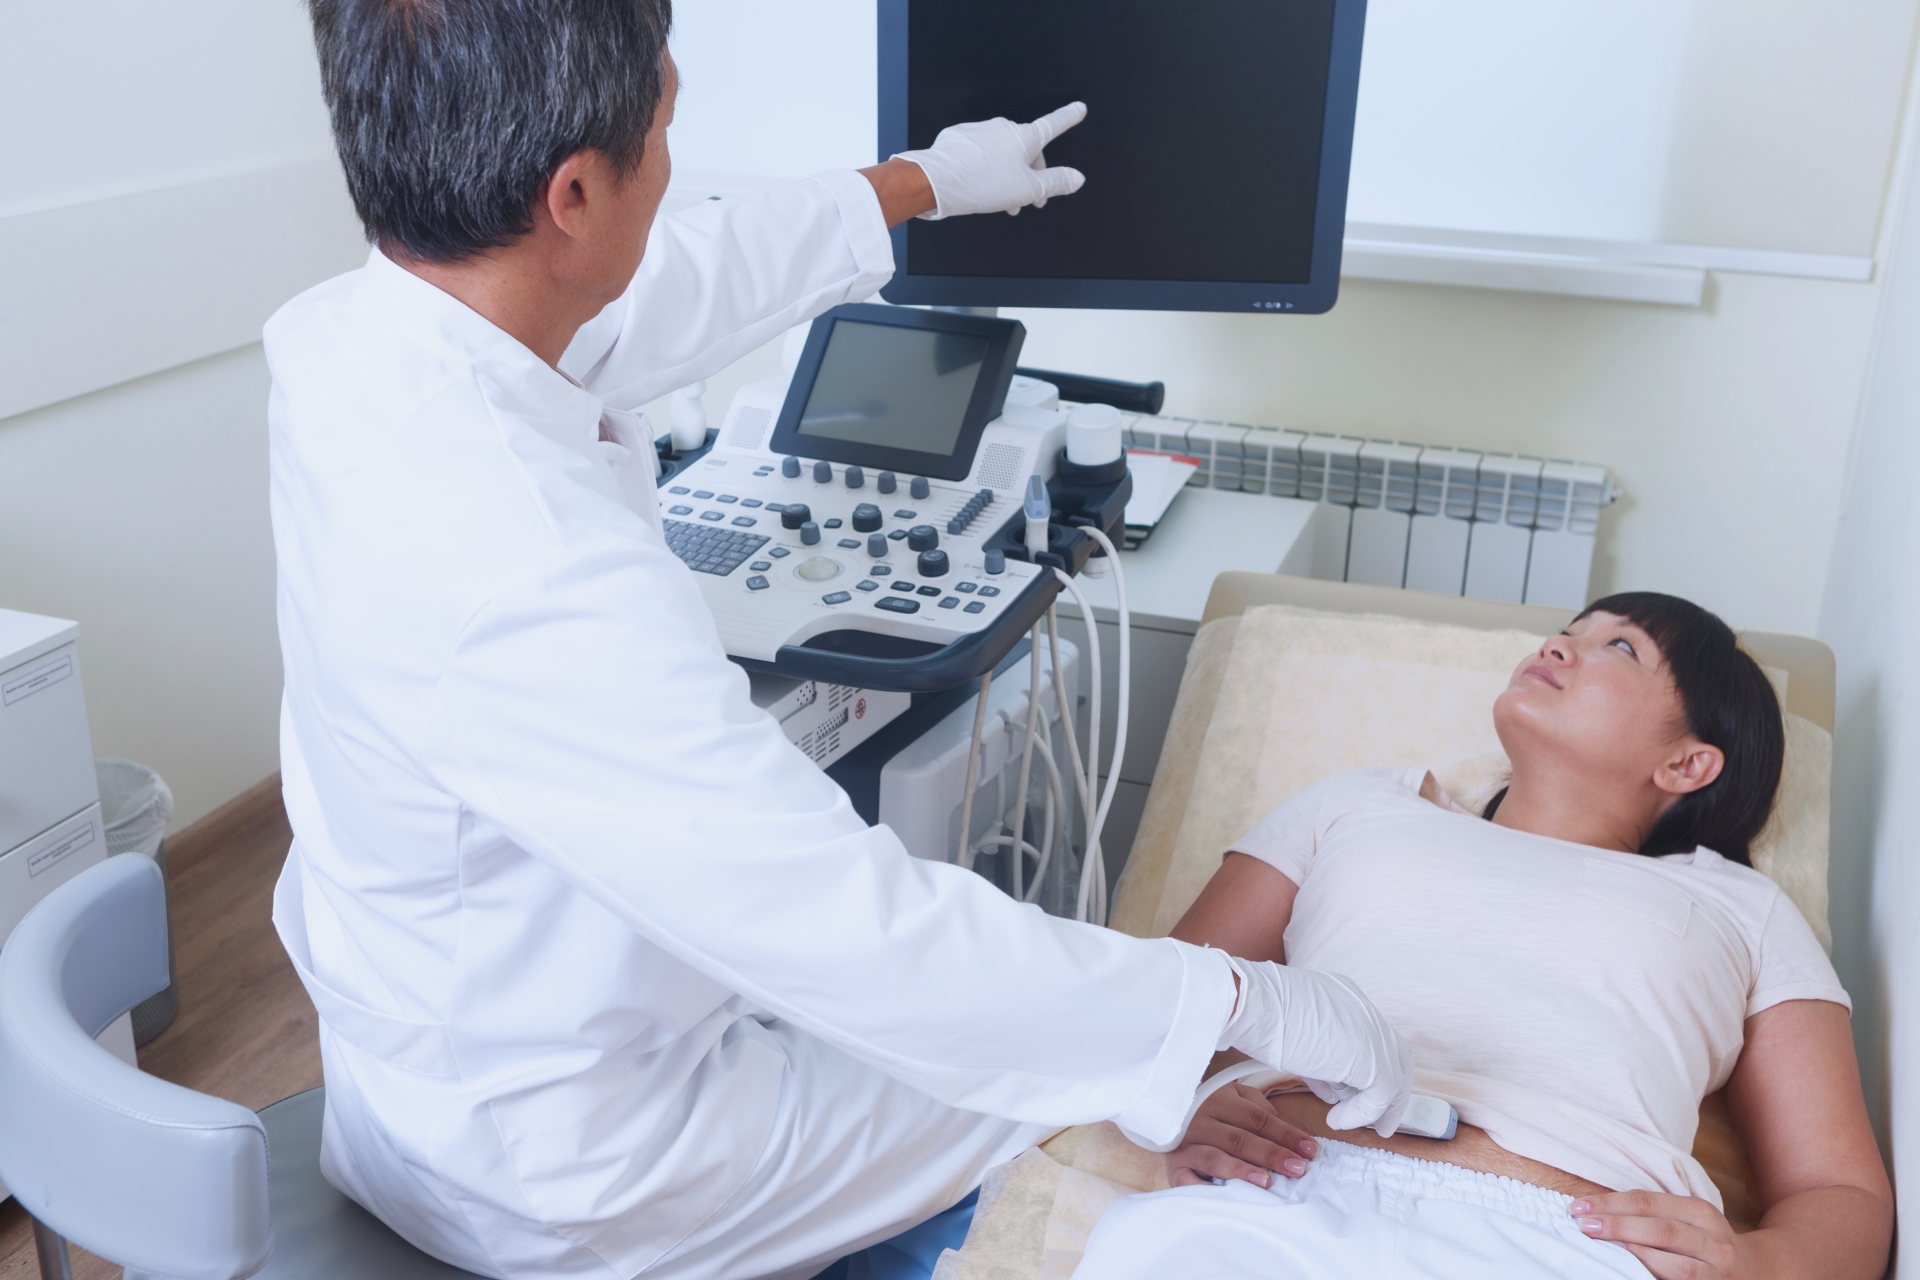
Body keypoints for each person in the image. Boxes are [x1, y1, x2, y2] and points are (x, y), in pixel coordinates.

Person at [264, 2, 1416, 1278]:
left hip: (421, 1060)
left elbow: (673, 285)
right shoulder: (523, 559)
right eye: (663, 136)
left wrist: (922, 181)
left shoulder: (356, 339)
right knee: (1038, 1085)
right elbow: (851, 931)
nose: (672, 172)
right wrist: (1235, 1002)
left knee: (1024, 1042)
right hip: (567, 1167)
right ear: (574, 194)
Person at [1074, 593, 1893, 1280]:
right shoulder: (1357, 804)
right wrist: (1190, 1106)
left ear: (1687, 765)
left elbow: (1841, 1193)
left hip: (1567, 1243)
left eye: (1619, 647)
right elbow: (1157, 1007)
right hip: (1274, 1195)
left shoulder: (1744, 908)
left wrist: (1754, 1263)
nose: (1558, 647)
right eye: (1567, 633)